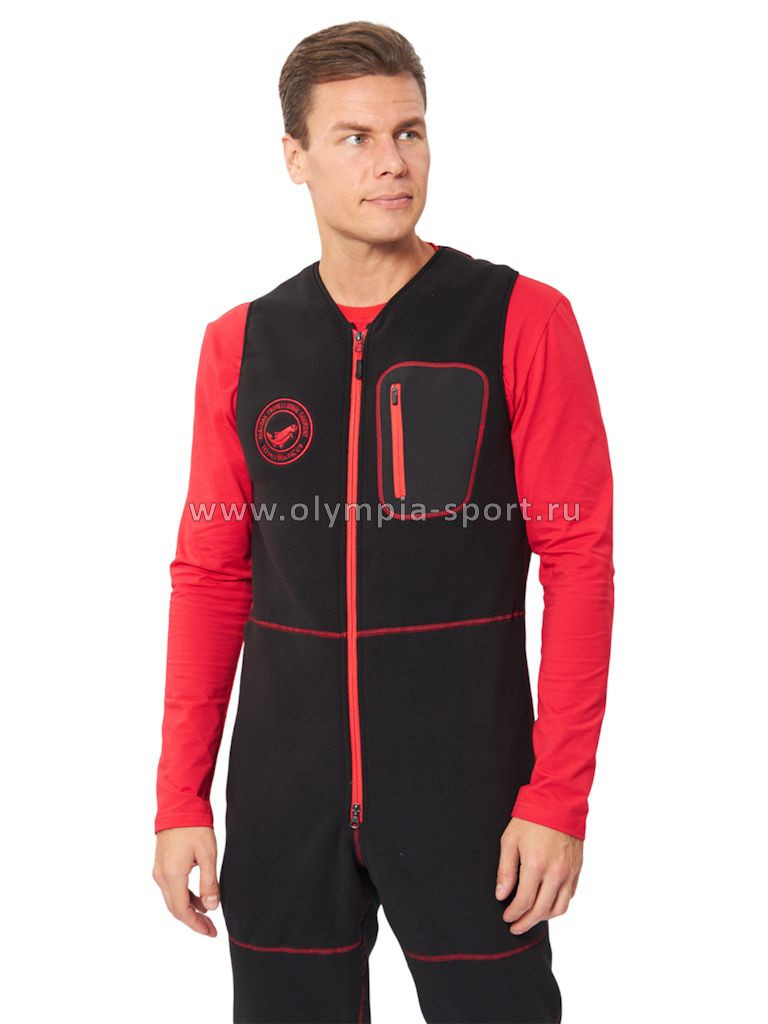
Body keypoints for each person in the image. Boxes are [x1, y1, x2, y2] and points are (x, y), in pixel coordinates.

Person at [152, 19, 614, 1024]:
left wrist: (556, 796)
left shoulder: (520, 319)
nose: (391, 162)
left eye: (409, 132)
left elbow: (579, 560)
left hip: (470, 792)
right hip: (284, 797)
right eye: (355, 137)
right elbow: (212, 575)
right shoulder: (242, 344)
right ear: (295, 157)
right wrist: (181, 797)